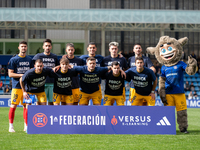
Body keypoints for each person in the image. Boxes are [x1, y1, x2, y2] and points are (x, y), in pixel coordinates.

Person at [8, 41, 33, 133]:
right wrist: (22, 75)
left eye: (25, 46)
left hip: (27, 87)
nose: (23, 48)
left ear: (27, 48)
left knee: (26, 107)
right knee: (13, 106)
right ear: (19, 48)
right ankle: (11, 126)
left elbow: (31, 72)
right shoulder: (13, 60)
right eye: (22, 46)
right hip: (16, 87)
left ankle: (26, 126)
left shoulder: (30, 60)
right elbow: (10, 74)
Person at [20, 59, 52, 131]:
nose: (39, 68)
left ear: (43, 66)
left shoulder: (45, 70)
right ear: (35, 66)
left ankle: (41, 124)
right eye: (38, 66)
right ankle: (26, 125)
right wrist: (24, 91)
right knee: (28, 107)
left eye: (41, 66)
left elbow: (53, 70)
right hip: (30, 91)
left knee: (43, 107)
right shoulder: (29, 73)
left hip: (40, 91)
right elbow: (21, 80)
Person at [32, 39, 59, 105]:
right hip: (41, 83)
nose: (47, 47)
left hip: (52, 82)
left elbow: (58, 67)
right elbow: (33, 67)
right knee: (39, 102)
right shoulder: (38, 56)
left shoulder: (54, 56)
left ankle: (50, 115)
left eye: (49, 46)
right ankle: (38, 114)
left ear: (51, 47)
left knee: (51, 102)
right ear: (43, 47)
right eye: (46, 46)